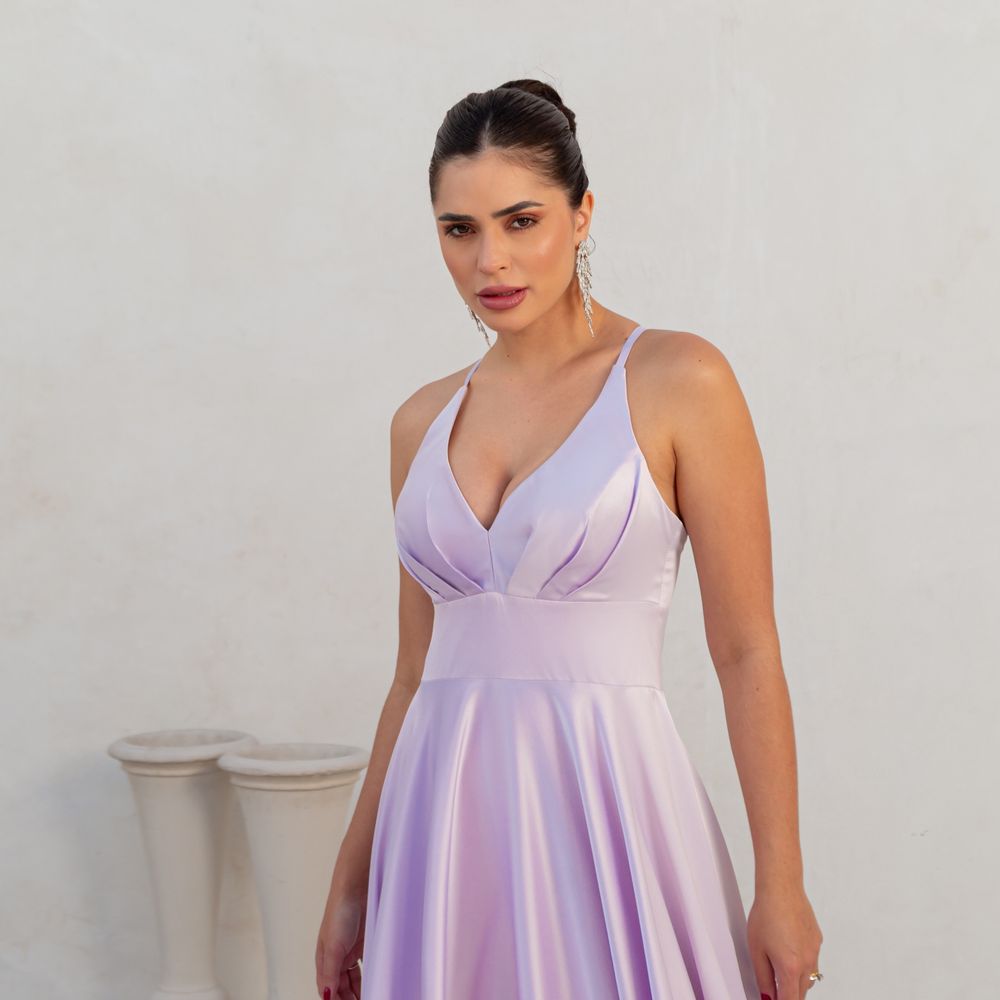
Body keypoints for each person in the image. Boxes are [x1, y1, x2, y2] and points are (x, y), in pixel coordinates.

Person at [315, 79, 823, 1000]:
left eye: (522, 221)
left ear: (582, 214)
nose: (491, 260)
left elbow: (747, 651)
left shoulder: (680, 379)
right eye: (459, 230)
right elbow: (411, 676)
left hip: (611, 813)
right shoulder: (419, 423)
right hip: (442, 835)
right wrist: (351, 883)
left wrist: (780, 884)